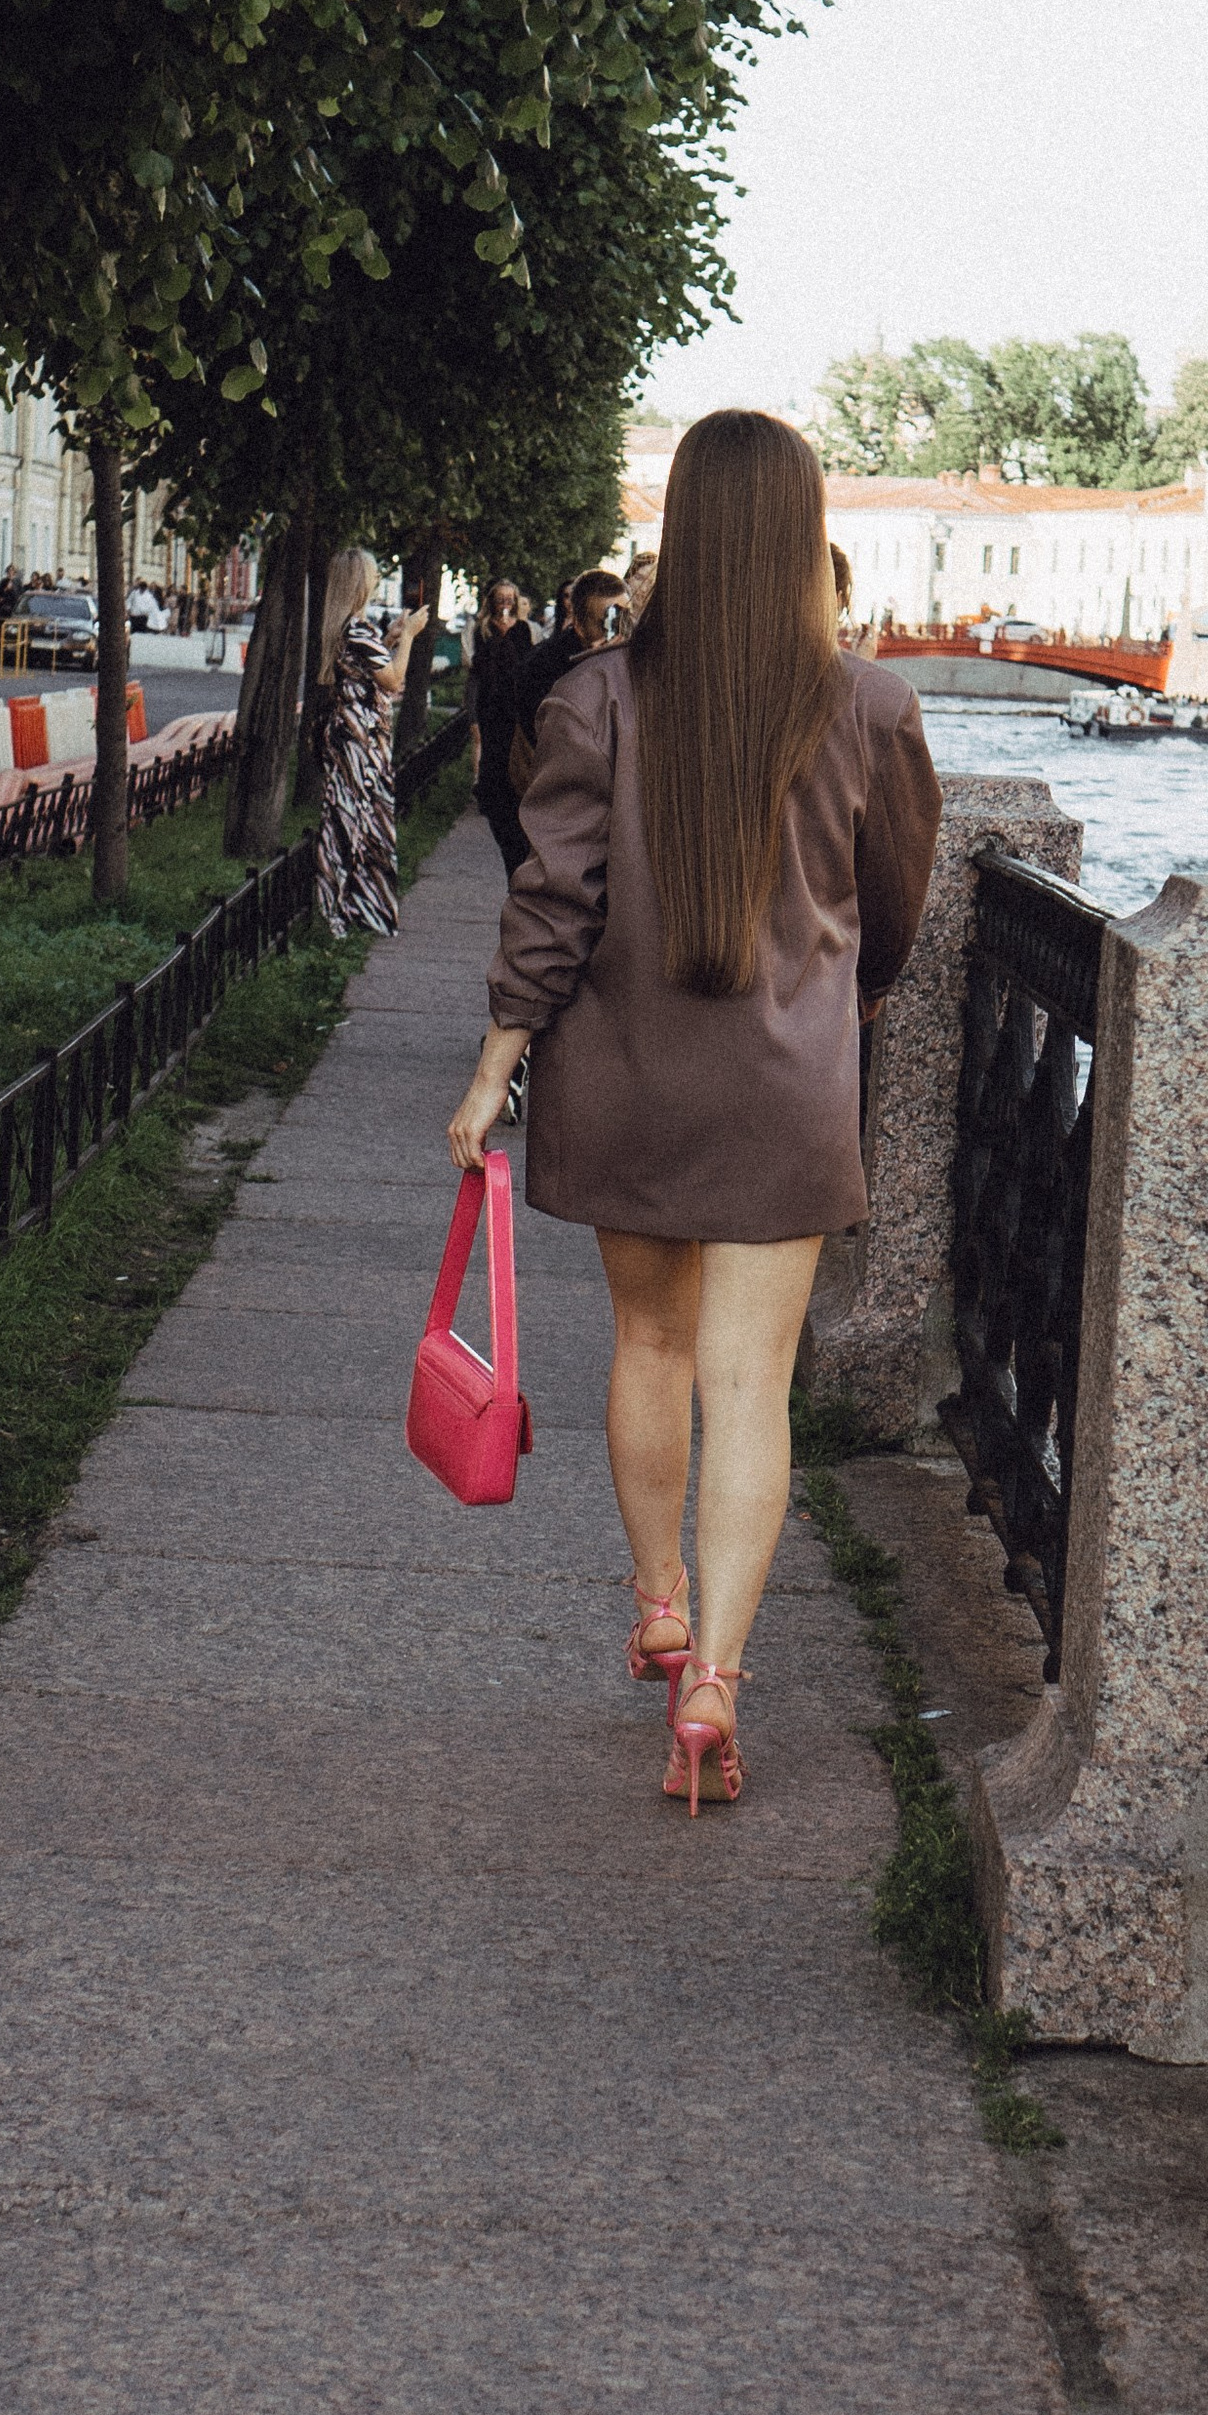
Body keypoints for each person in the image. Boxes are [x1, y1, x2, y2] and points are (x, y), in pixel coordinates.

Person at [447, 409, 941, 1812]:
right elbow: (894, 912)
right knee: (749, 1387)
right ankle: (715, 1685)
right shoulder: (871, 708)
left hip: (627, 1079)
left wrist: (497, 1064)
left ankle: (660, 1600)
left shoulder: (593, 697)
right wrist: (837, 1007)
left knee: (649, 1348)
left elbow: (552, 904)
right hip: (787, 1093)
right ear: (801, 536)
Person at [314, 546, 427, 938]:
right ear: (360, 582)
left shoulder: (350, 627)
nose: (377, 580)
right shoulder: (357, 630)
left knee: (355, 817)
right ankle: (343, 910)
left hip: (355, 733)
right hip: (359, 738)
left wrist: (393, 636)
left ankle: (354, 908)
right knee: (353, 819)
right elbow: (394, 680)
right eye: (373, 575)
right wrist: (409, 637)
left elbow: (371, 668)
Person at [515, 566, 627, 753]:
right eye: (609, 623)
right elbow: (554, 744)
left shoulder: (630, 659)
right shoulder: (543, 668)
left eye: (625, 619)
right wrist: (593, 669)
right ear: (580, 626)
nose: (621, 632)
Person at [468, 579, 536, 880]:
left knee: (513, 746)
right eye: (500, 598)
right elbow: (476, 668)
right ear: (492, 602)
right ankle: (490, 791)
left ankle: (514, 787)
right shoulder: (482, 629)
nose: (505, 603)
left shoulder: (523, 630)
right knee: (491, 746)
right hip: (490, 701)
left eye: (510, 598)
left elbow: (527, 664)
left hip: (514, 701)